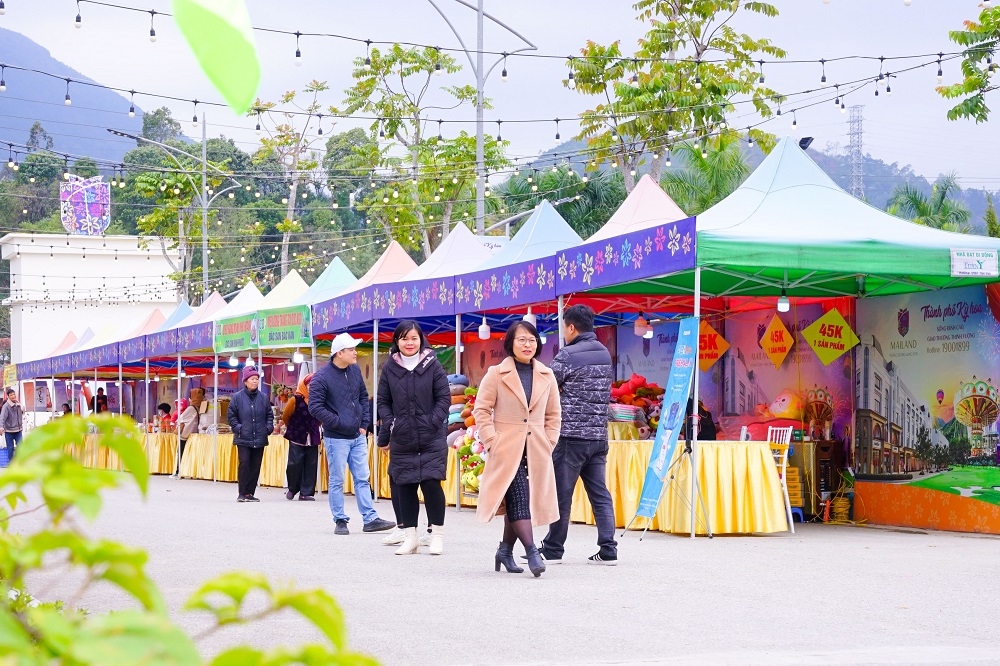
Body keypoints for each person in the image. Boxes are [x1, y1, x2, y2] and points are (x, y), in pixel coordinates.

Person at [473, 321, 561, 577]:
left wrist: (549, 441)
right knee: (520, 498)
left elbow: (554, 414)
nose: (527, 345)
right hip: (506, 447)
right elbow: (481, 410)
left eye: (532, 340)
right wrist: (492, 441)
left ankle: (504, 550)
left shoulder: (547, 375)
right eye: (521, 340)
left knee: (518, 500)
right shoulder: (496, 374)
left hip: (535, 449)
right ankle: (532, 551)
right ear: (510, 343)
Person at [538, 304, 619, 566]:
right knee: (600, 494)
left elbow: (547, 388)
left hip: (571, 436)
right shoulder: (605, 353)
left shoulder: (567, 354)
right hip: (598, 437)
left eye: (564, 327)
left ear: (571, 327)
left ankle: (553, 549)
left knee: (562, 494)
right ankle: (608, 549)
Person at [376, 320, 451, 555]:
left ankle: (436, 535)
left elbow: (444, 398)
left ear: (421, 340)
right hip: (403, 436)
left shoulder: (433, 365)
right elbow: (383, 401)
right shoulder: (390, 368)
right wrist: (392, 424)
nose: (409, 343)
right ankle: (411, 537)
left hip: (431, 436)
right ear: (397, 341)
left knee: (431, 484)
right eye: (404, 338)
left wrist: (432, 421)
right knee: (405, 485)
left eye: (414, 338)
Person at [309, 333, 395, 535]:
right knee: (337, 479)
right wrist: (340, 423)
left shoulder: (354, 370)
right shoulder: (321, 377)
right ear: (339, 353)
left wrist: (364, 423)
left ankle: (370, 518)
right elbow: (315, 407)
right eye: (351, 350)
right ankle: (340, 520)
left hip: (358, 435)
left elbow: (363, 397)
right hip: (336, 437)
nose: (355, 353)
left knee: (362, 478)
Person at [227, 365, 273, 502]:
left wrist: (268, 428)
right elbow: (231, 416)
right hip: (243, 437)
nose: (255, 381)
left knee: (255, 465)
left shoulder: (263, 398)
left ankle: (250, 493)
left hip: (260, 436)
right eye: (252, 378)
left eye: (256, 379)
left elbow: (269, 415)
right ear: (245, 381)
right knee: (245, 463)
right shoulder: (237, 397)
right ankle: (242, 493)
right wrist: (238, 428)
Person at [282, 373, 321, 501]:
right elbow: (286, 416)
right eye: (310, 385)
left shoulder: (319, 401)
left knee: (311, 464)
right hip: (297, 436)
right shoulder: (295, 400)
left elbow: (321, 418)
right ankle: (293, 488)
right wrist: (294, 428)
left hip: (312, 437)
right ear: (305, 386)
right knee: (294, 464)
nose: (312, 388)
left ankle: (306, 492)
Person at [176, 390, 202, 477]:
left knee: (181, 453)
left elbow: (180, 419)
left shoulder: (190, 408)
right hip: (194, 435)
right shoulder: (200, 408)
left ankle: (178, 471)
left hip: (185, 435)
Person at [1, 388, 24, 461]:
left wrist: (20, 405)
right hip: (9, 431)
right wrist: (1, 427)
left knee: (21, 447)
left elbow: (23, 412)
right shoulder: (6, 406)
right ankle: (11, 463)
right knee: (10, 448)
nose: (13, 396)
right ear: (8, 396)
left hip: (18, 430)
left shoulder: (18, 404)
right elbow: (2, 417)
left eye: (14, 394)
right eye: (11, 395)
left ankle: (20, 462)